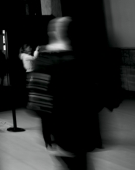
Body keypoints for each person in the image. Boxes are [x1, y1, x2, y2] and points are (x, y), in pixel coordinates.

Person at [27, 17, 101, 169]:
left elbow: (37, 104)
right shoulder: (81, 59)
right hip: (82, 130)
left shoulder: (44, 61)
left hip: (58, 131)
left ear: (53, 33)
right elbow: (96, 98)